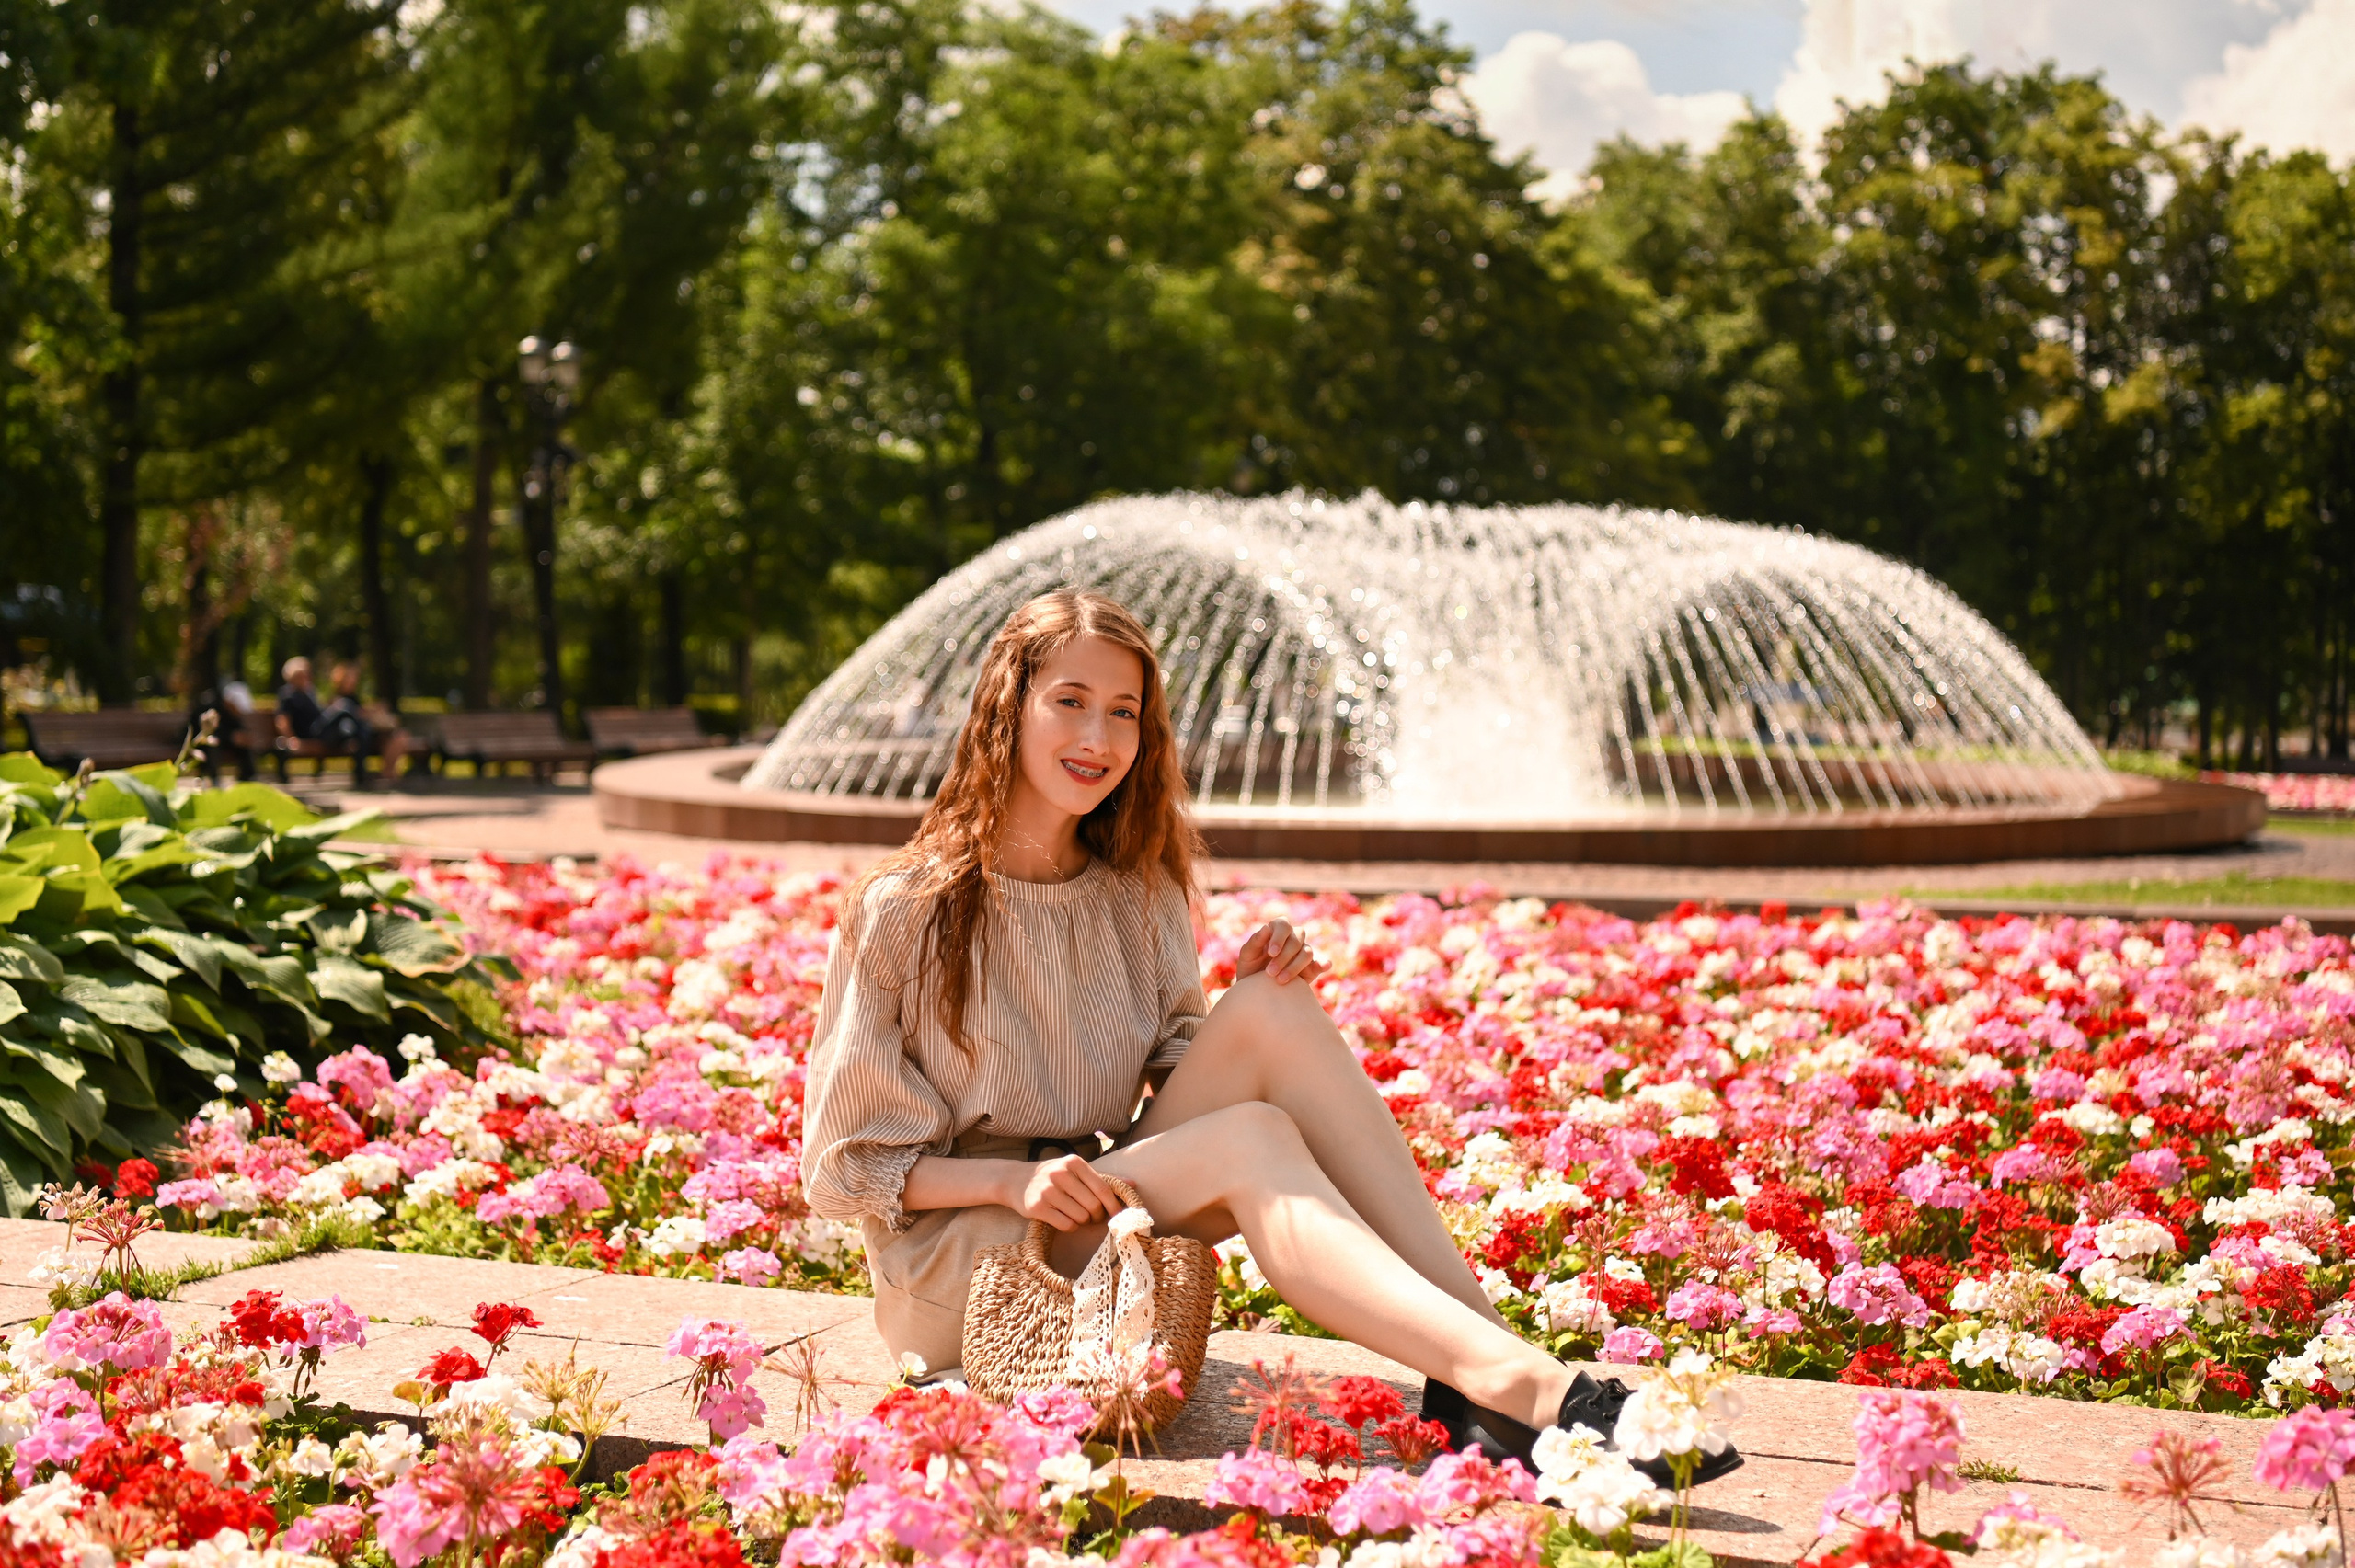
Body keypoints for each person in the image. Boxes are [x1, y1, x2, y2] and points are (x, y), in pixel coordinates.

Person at [799, 589, 1742, 1484]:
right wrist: (1016, 1181)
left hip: (1094, 1205)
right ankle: (1521, 1386)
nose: (1097, 737)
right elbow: (844, 1169)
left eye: (1123, 712)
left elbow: (1173, 1059)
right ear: (1007, 709)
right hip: (972, 1269)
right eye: (1070, 702)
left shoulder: (1138, 885)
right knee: (1252, 1139)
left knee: (1273, 1009)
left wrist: (1250, 992)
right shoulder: (906, 907)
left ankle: (1481, 1365)